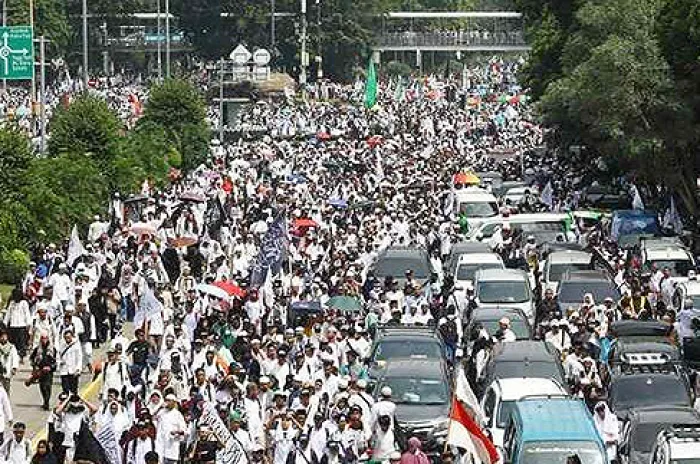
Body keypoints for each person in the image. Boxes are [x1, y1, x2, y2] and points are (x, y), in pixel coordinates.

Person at [27, 333, 57, 410]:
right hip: (40, 371)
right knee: (42, 387)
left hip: (49, 371)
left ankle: (46, 402)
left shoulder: (53, 349)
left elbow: (57, 361)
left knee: (48, 387)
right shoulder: (37, 349)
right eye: (43, 338)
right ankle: (45, 401)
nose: (44, 340)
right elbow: (31, 358)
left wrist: (50, 367)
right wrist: (34, 366)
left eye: (46, 338)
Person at [4, 288, 31, 363]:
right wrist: (5, 322)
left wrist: (28, 323)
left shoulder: (24, 303)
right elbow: (8, 314)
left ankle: (21, 357)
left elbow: (27, 313)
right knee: (13, 343)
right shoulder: (12, 303)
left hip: (21, 326)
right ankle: (13, 357)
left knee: (21, 343)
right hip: (13, 325)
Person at [57, 329, 82, 394]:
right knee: (65, 389)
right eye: (66, 338)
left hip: (73, 371)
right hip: (64, 371)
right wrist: (59, 362)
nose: (67, 339)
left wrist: (78, 369)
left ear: (72, 337)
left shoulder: (76, 345)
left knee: (73, 389)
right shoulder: (61, 345)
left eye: (69, 337)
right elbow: (58, 356)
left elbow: (79, 357)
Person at [0, 328, 19, 393]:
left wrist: (14, 367)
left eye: (4, 336)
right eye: (1, 336)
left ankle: (6, 402)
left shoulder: (11, 347)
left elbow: (15, 358)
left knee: (6, 389)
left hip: (7, 371)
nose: (3, 338)